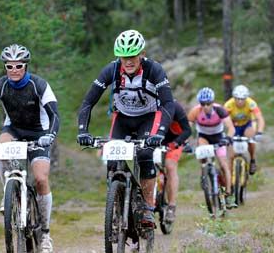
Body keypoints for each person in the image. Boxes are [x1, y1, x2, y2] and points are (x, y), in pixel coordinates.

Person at [77, 29, 175, 227]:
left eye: (132, 56)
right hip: (122, 118)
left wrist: (160, 134)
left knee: (145, 155)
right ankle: (117, 202)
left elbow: (168, 104)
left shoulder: (154, 70)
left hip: (148, 118)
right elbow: (88, 102)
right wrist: (82, 130)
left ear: (142, 55)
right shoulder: (111, 70)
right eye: (124, 57)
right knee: (112, 160)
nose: (128, 61)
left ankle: (148, 208)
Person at [0, 44, 60, 253]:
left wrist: (50, 135)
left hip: (39, 133)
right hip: (13, 129)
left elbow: (55, 115)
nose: (13, 70)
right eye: (9, 66)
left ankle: (46, 233)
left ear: (25, 66)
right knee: (3, 146)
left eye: (18, 65)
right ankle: (9, 193)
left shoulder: (38, 84)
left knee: (40, 178)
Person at [187, 87, 237, 209]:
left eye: (208, 103)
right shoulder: (195, 111)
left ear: (212, 102)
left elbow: (231, 128)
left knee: (224, 164)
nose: (205, 106)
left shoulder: (220, 110)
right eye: (202, 104)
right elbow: (187, 128)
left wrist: (228, 138)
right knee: (203, 156)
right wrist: (185, 142)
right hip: (203, 137)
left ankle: (229, 194)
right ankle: (204, 173)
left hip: (218, 137)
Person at [159, 100, 191, 223]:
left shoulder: (176, 107)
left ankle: (171, 206)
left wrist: (176, 143)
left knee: (170, 166)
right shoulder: (148, 105)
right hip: (156, 142)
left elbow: (187, 130)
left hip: (174, 142)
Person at [224, 85, 265, 175]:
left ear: (246, 98)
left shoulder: (251, 103)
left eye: (242, 99)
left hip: (246, 125)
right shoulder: (228, 105)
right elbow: (222, 119)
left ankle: (252, 160)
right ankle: (230, 175)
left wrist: (259, 132)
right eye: (237, 98)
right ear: (234, 97)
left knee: (251, 138)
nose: (240, 101)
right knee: (230, 153)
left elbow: (260, 118)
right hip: (233, 127)